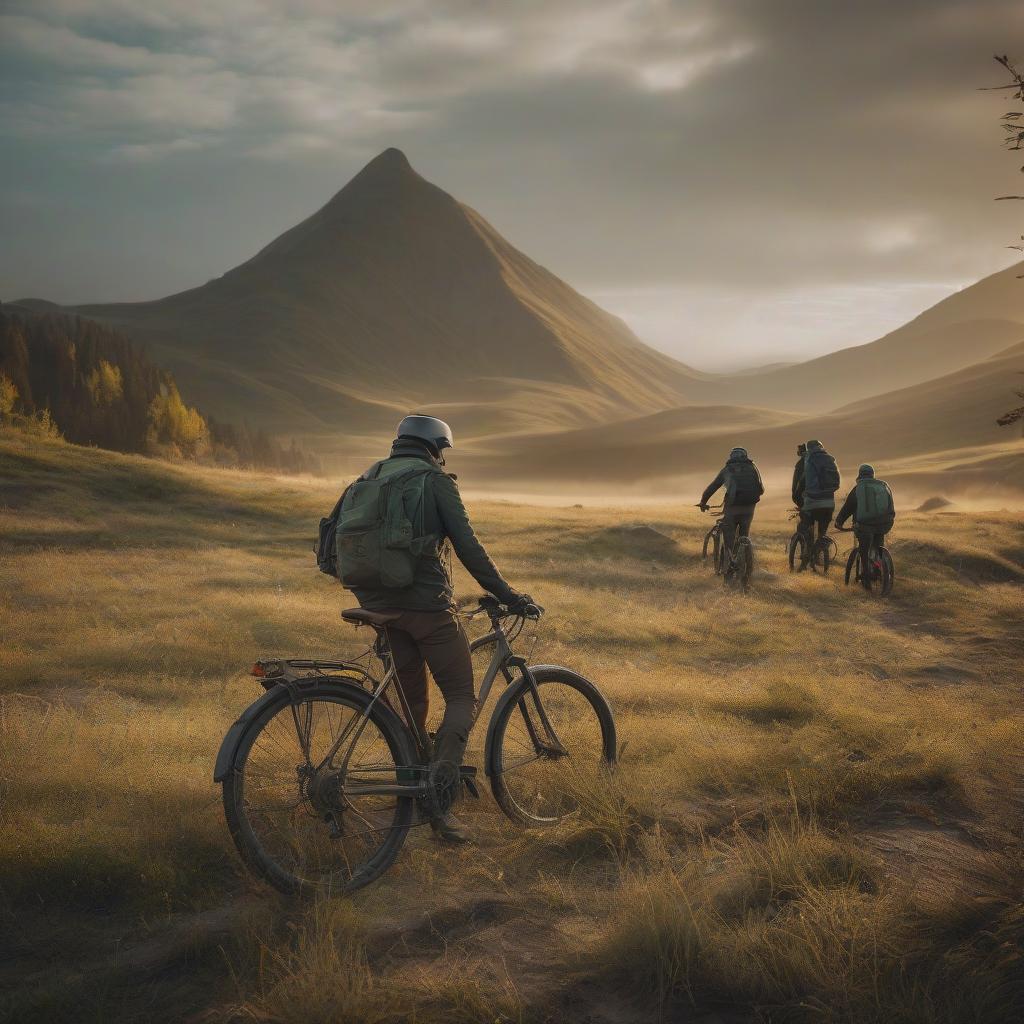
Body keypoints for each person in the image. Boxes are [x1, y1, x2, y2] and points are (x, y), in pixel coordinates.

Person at [339, 415, 533, 843]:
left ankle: (413, 789)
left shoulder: (367, 477)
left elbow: (333, 544)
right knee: (462, 695)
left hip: (377, 607)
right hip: (427, 608)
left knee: (411, 704)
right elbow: (468, 546)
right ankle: (439, 798)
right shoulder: (434, 481)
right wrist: (509, 594)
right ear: (437, 449)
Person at [699, 447, 764, 576]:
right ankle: (744, 562)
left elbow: (713, 486)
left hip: (732, 508)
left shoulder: (727, 470)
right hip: (749, 508)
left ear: (731, 457)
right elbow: (761, 489)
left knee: (729, 537)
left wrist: (703, 501)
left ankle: (730, 564)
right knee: (744, 536)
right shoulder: (753, 467)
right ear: (745, 456)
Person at [835, 464, 895, 590]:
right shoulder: (883, 486)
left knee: (864, 550)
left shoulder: (858, 488)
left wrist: (839, 522)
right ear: (873, 475)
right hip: (884, 524)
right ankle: (879, 566)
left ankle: (866, 578)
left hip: (865, 526)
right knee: (878, 547)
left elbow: (848, 508)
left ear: (860, 475)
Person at [791, 439, 840, 568]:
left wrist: (797, 497)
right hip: (829, 504)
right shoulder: (830, 459)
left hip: (811, 502)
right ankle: (819, 553)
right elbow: (836, 483)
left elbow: (801, 482)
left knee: (804, 526)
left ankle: (806, 554)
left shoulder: (809, 460)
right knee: (822, 532)